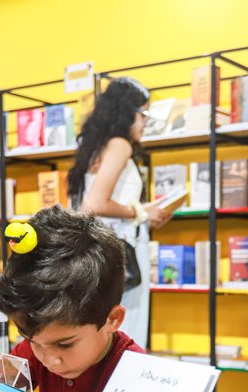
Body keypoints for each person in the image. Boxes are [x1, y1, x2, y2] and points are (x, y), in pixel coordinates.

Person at [0, 205, 144, 392]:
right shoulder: (35, 350)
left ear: (112, 319)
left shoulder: (137, 369)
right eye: (32, 341)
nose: (50, 360)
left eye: (65, 345)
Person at [68, 77, 171, 350]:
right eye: (143, 114)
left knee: (105, 334)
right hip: (122, 251)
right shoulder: (119, 145)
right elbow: (96, 203)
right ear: (128, 113)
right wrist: (140, 211)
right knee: (127, 334)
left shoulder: (97, 146)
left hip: (103, 249)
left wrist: (143, 211)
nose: (145, 122)